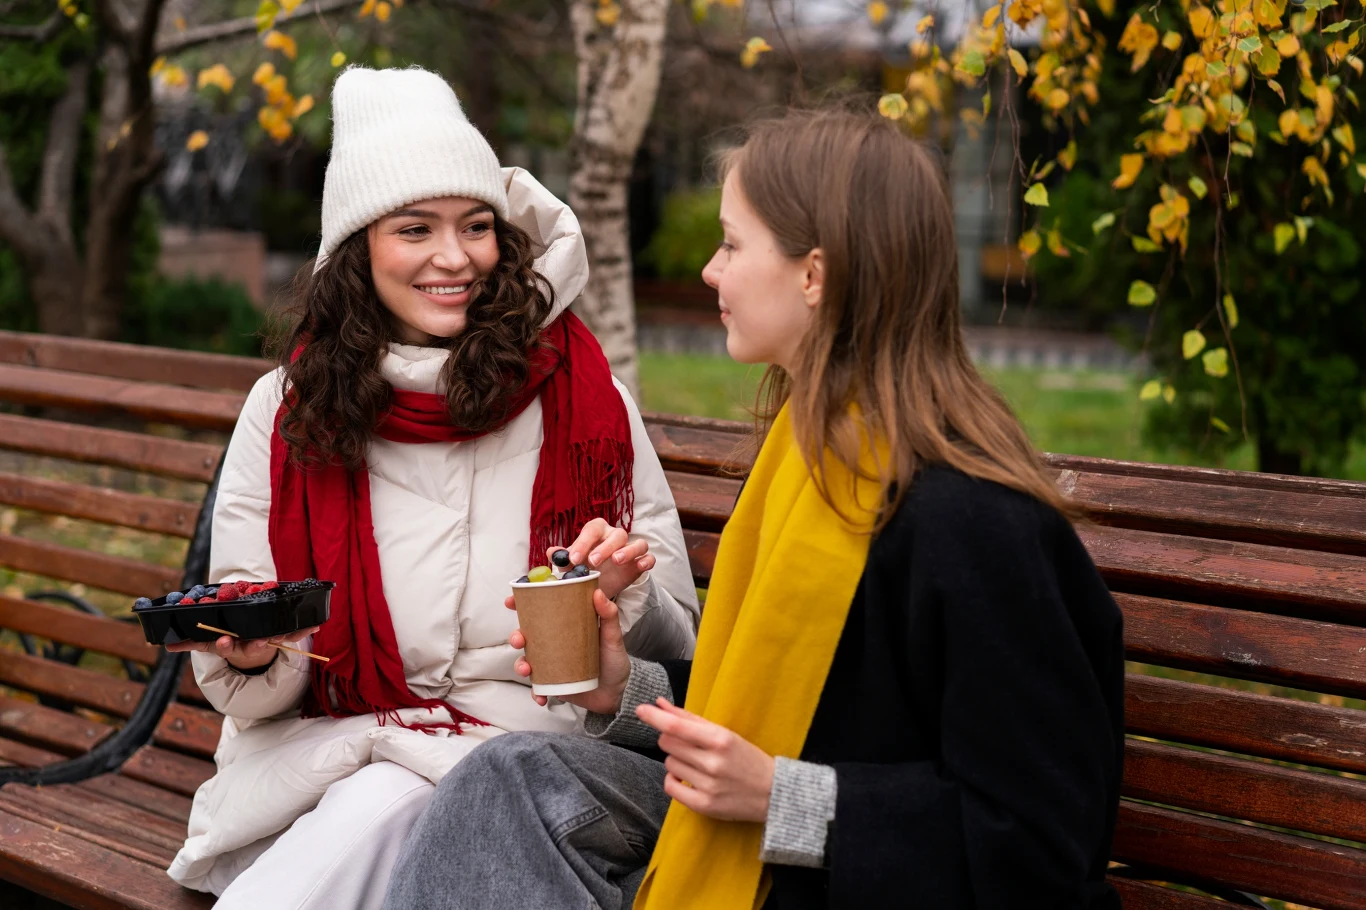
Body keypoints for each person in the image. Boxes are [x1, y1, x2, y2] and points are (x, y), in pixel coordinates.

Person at [382, 107, 1125, 910]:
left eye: (733, 243)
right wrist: (622, 688)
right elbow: (784, 707)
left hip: (842, 883)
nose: (709, 269)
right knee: (503, 779)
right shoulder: (804, 465)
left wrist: (785, 799)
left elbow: (1043, 843)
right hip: (771, 866)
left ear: (815, 274)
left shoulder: (972, 521)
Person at [162, 65, 699, 909]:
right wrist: (259, 649)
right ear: (358, 248)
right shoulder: (288, 410)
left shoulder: (585, 398)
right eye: (416, 229)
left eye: (477, 226)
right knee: (380, 804)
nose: (456, 258)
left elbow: (679, 645)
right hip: (334, 750)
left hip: (528, 762)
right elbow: (252, 635)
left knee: (397, 811)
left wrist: (621, 597)